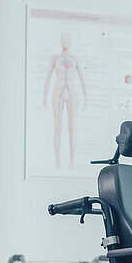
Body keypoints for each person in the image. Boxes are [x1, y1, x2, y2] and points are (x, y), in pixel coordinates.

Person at [42, 31, 88, 170]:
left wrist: (86, 99)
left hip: (73, 92)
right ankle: (58, 161)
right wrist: (44, 96)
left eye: (67, 38)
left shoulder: (76, 59)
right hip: (58, 91)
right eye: (63, 39)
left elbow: (82, 79)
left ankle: (72, 162)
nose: (65, 41)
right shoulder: (54, 58)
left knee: (72, 127)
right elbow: (48, 77)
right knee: (58, 126)